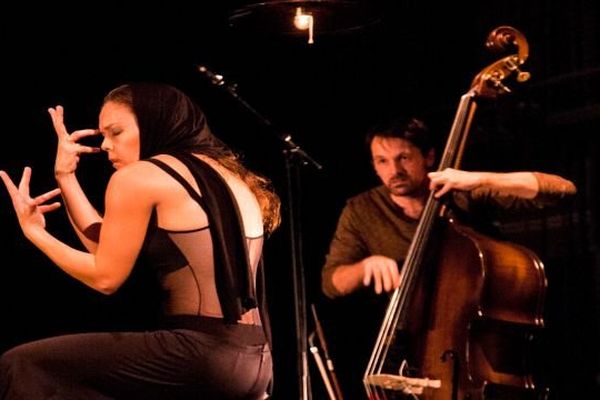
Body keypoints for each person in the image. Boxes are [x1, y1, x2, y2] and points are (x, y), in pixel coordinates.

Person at [0, 82, 281, 399]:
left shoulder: (139, 177)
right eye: (102, 135)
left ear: (153, 123)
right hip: (256, 359)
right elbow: (107, 247)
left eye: (115, 132)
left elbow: (105, 277)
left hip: (199, 354)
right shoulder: (230, 177)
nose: (105, 145)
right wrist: (66, 176)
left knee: (25, 365)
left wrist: (34, 232)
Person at [319, 116, 577, 399]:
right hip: (408, 353)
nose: (394, 170)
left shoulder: (459, 190)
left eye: (403, 157)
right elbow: (332, 284)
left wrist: (478, 178)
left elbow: (562, 190)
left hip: (477, 355)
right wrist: (364, 267)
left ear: (429, 156)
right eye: (382, 161)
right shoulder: (360, 210)